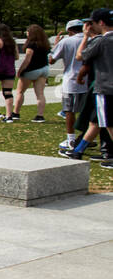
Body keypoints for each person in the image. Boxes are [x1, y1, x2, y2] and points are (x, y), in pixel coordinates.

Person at [59, 9, 113, 168]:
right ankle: (78, 150)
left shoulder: (101, 41)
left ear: (101, 23)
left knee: (109, 123)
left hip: (105, 88)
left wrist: (85, 36)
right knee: (95, 122)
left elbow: (80, 56)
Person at [51, 19, 88, 151]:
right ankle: (87, 137)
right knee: (88, 112)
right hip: (89, 80)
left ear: (69, 30)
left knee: (69, 111)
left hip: (71, 80)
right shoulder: (90, 40)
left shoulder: (66, 41)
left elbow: (51, 59)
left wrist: (56, 45)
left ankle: (71, 140)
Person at [14, 24, 51, 121]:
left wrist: (20, 70)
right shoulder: (45, 44)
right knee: (40, 94)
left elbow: (27, 60)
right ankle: (40, 115)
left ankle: (16, 113)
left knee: (20, 92)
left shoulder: (31, 45)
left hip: (32, 69)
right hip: (44, 69)